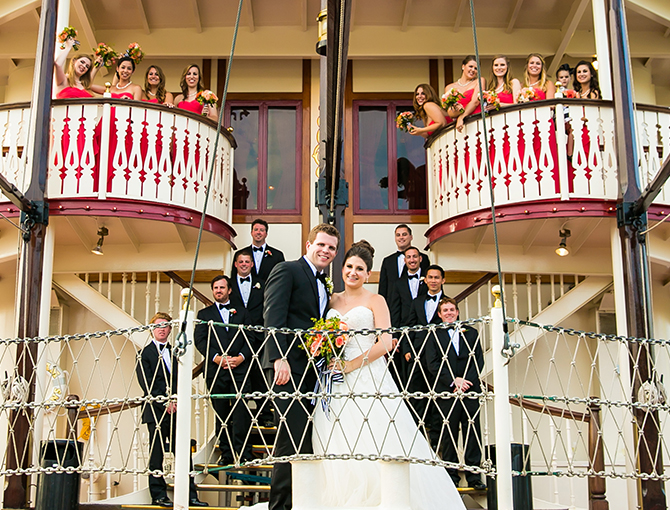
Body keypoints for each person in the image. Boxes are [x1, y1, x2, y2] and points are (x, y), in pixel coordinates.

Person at [311, 241, 465, 509]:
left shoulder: (375, 300)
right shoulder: (332, 299)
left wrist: (351, 365)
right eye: (349, 267)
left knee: (375, 434)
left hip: (367, 376)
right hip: (333, 380)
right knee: (335, 436)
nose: (353, 272)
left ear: (367, 274)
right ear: (342, 269)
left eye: (360, 269)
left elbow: (386, 343)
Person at [263, 223, 340, 510]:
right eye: (321, 244)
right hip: (286, 368)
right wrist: (278, 357)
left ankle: (301, 504)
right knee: (290, 440)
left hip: (311, 372)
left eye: (331, 247)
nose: (326, 250)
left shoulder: (322, 281)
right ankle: (279, 507)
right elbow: (273, 314)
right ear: (308, 245)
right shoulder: (288, 269)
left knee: (305, 442)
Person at [136, 313, 208, 508]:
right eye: (158, 326)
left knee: (183, 453)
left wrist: (176, 401)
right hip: (156, 410)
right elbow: (147, 383)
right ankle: (158, 495)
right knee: (157, 454)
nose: (162, 329)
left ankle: (190, 496)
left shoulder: (177, 352)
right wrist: (164, 402)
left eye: (166, 326)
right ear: (152, 329)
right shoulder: (144, 354)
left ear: (170, 329)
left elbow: (181, 380)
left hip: (177, 410)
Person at [425, 298, 485, 490]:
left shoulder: (472, 333)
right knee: (448, 433)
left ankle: (474, 476)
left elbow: (479, 361)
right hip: (446, 390)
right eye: (445, 310)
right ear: (440, 315)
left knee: (472, 432)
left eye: (452, 309)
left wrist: (465, 382)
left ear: (457, 312)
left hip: (470, 390)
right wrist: (453, 381)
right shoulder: (434, 335)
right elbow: (432, 364)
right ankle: (451, 476)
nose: (449, 312)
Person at [194, 276, 253, 466]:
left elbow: (251, 338)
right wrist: (217, 358)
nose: (218, 290)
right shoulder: (204, 315)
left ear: (229, 290)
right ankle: (226, 453)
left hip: (240, 369)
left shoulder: (243, 313)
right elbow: (200, 341)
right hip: (216, 370)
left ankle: (244, 452)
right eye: (215, 288)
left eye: (222, 287)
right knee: (221, 414)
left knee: (241, 413)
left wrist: (241, 358)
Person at [228, 249, 274, 427]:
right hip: (236, 338)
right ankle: (238, 418)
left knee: (259, 375)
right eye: (241, 262)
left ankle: (264, 414)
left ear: (252, 264)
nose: (244, 264)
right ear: (236, 264)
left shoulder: (262, 284)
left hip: (258, 337)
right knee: (238, 377)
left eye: (247, 262)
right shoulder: (228, 285)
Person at [405, 264, 448, 440]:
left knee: (437, 396)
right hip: (417, 354)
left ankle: (437, 440)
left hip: (438, 357)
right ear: (425, 279)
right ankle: (417, 438)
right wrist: (407, 349)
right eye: (430, 277)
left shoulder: (449, 304)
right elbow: (409, 326)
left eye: (436, 277)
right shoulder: (417, 301)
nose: (433, 281)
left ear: (443, 280)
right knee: (416, 395)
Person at [378, 224, 429, 304]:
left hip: (417, 305)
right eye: (398, 235)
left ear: (411, 237)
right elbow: (383, 288)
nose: (401, 237)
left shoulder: (423, 258)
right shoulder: (387, 261)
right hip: (393, 306)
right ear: (395, 238)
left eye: (404, 234)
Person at [231, 219, 285, 283]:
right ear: (251, 233)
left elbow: (282, 278)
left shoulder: (277, 255)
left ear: (266, 234)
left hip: (270, 291)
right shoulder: (239, 254)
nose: (258, 232)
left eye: (261, 230)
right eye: (256, 230)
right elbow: (233, 278)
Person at [389, 246, 428, 329]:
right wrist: (395, 334)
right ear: (405, 260)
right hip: (405, 328)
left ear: (420, 259)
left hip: (425, 328)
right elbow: (395, 310)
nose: (412, 260)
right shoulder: (398, 283)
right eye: (408, 257)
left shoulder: (429, 280)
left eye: (415, 256)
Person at [444, 55, 485, 132]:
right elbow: (450, 112)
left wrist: (461, 117)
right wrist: (457, 110)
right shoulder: (450, 87)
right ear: (463, 66)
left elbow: (475, 102)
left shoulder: (479, 81)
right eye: (470, 66)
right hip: (461, 127)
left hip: (477, 122)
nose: (473, 70)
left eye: (476, 68)